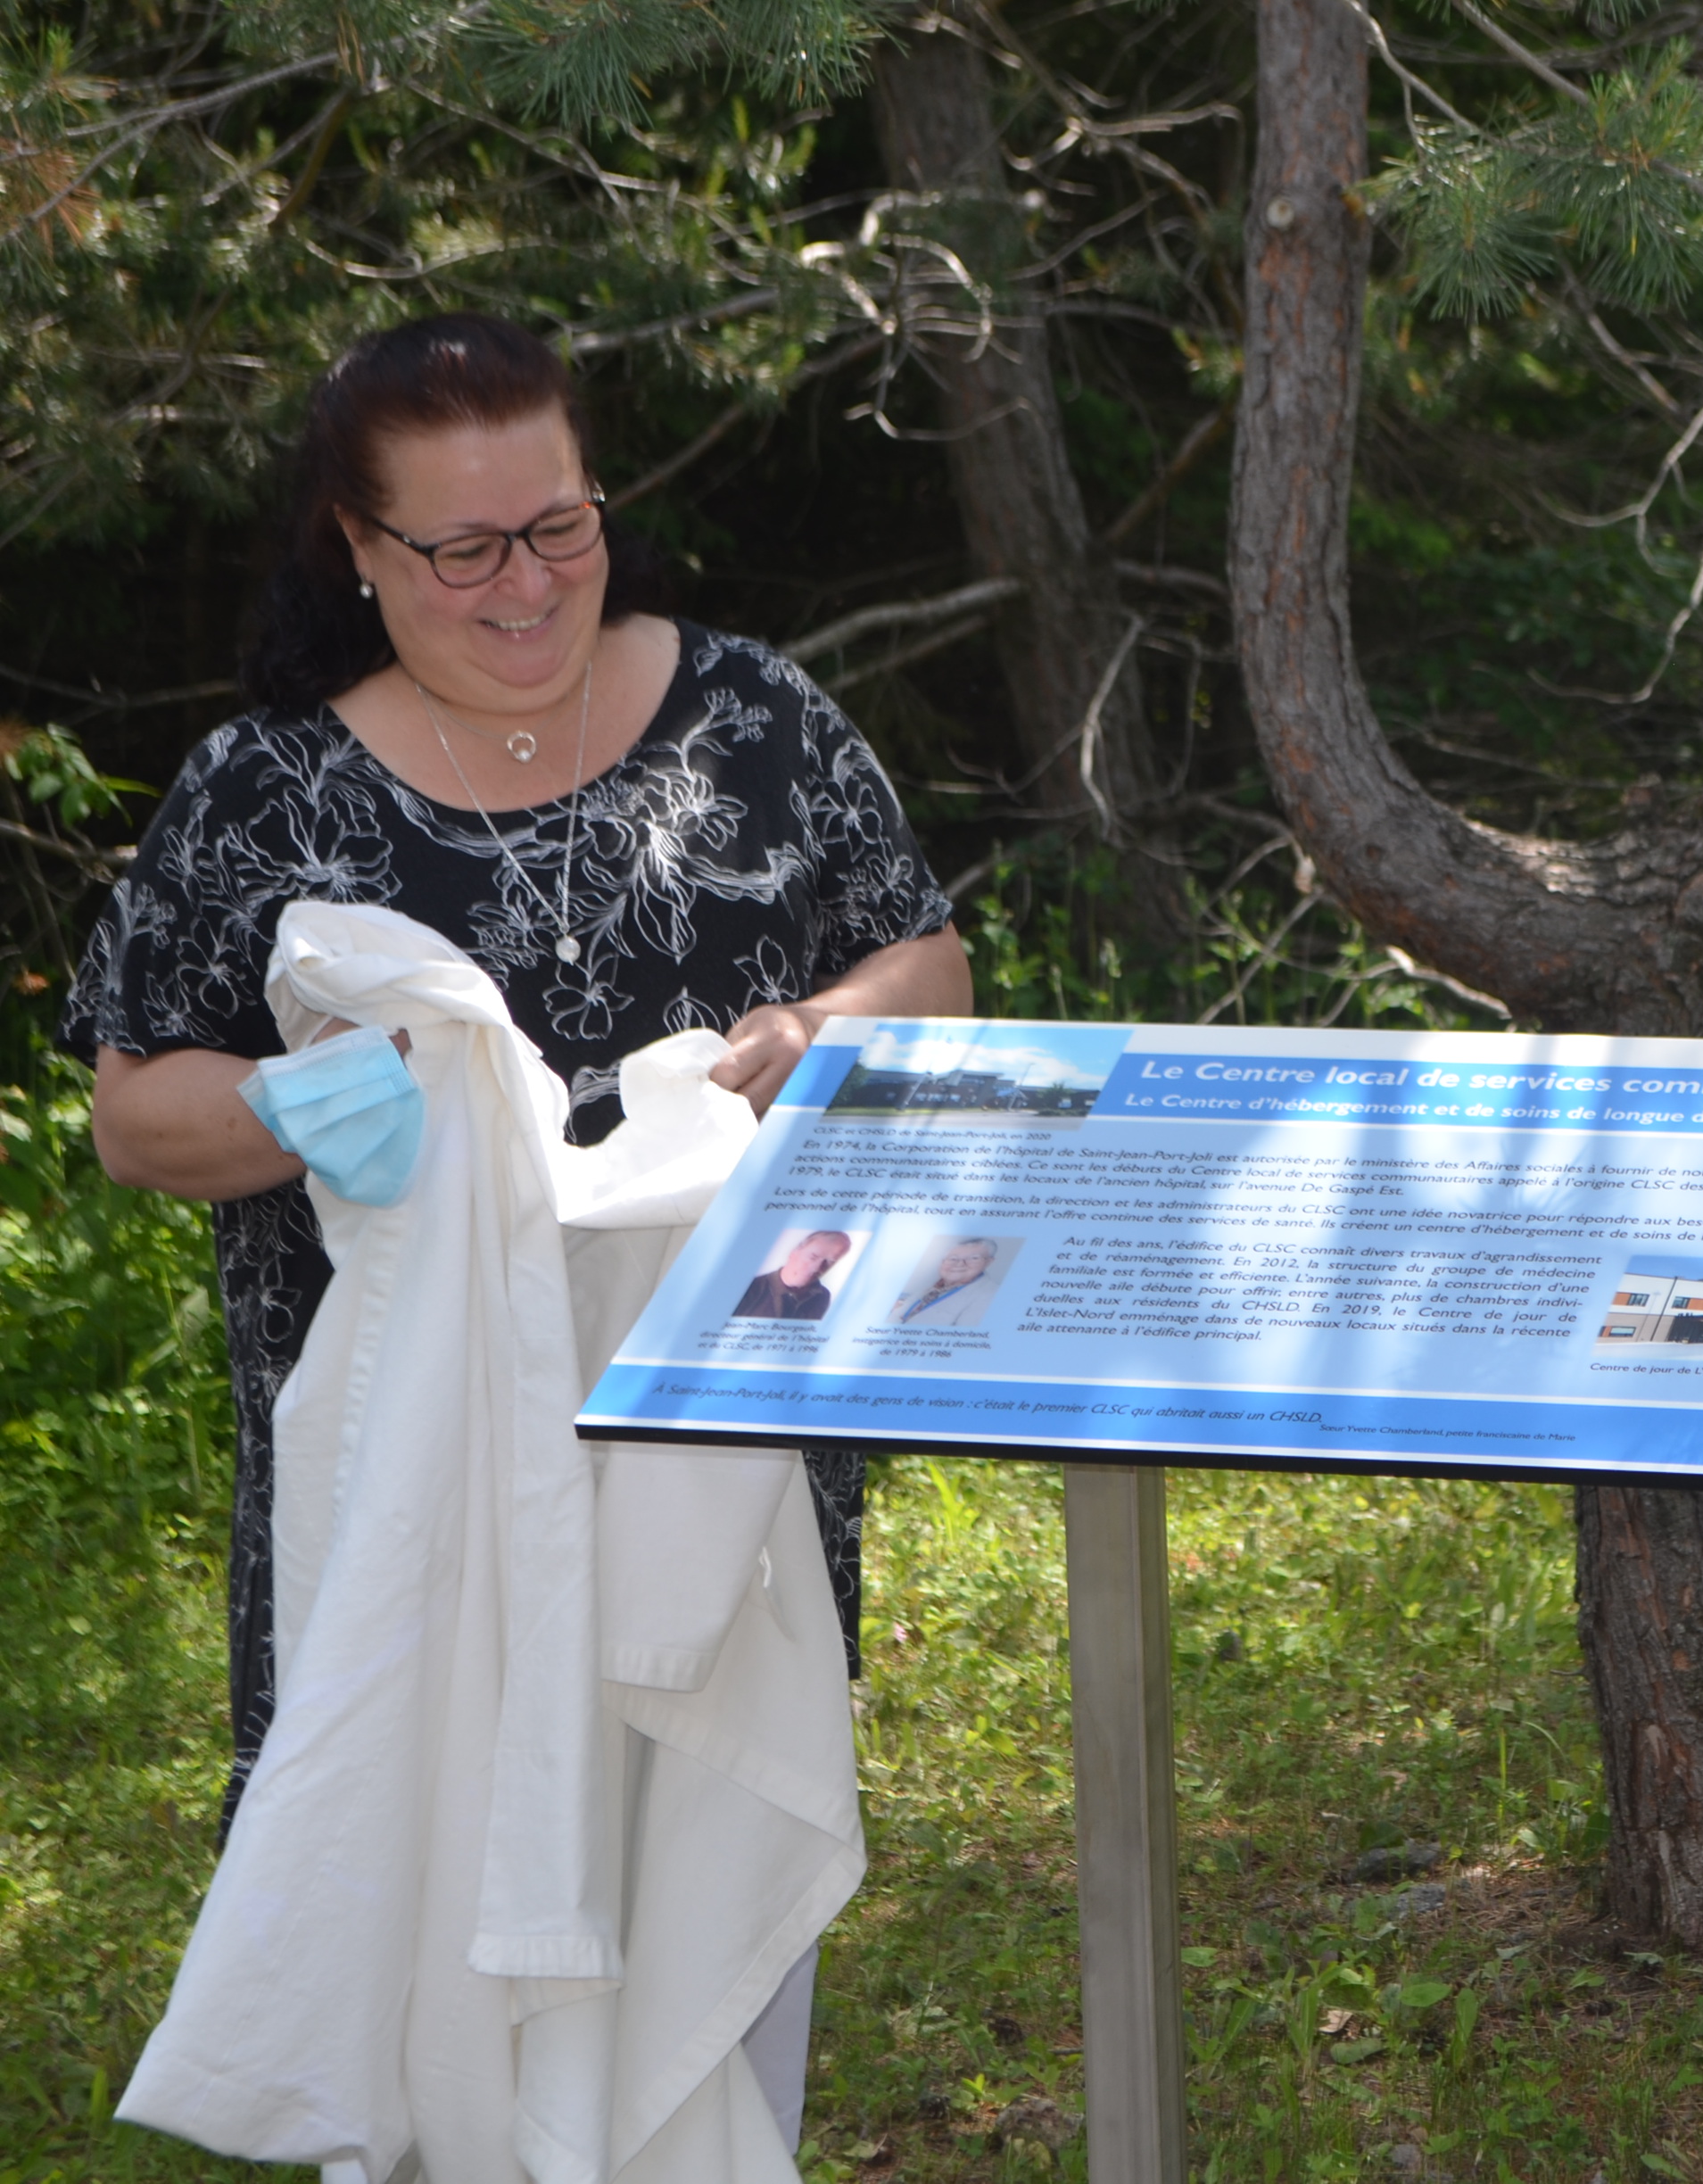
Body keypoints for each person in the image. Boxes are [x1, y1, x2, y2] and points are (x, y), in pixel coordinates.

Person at [65, 313, 972, 1828]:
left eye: (559, 526)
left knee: (706, 1863)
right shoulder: (264, 792)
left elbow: (929, 964)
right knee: (401, 1884)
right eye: (466, 550)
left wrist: (826, 1027)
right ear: (359, 547)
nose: (530, 582)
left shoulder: (755, 718)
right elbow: (132, 1118)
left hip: (725, 1455)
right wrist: (300, 1104)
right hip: (406, 1495)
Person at [734, 1228, 855, 1320]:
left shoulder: (822, 1296)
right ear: (794, 1252)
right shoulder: (747, 1289)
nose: (817, 1268)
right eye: (813, 1257)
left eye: (829, 1262)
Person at [889, 1236, 1005, 1327]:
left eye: (974, 1258)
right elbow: (901, 1313)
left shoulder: (990, 1296)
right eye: (953, 1258)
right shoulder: (937, 1286)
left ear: (989, 1262)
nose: (959, 1264)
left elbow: (964, 1340)